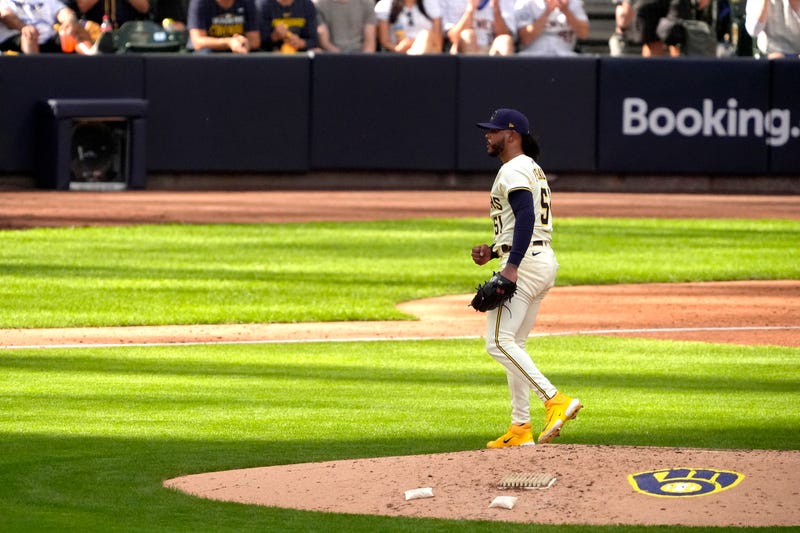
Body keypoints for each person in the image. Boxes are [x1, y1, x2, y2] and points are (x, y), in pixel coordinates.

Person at [471, 108, 582, 448]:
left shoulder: (514, 168)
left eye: (494, 131)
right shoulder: (530, 167)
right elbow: (521, 222)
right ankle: (520, 427)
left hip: (526, 263)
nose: (488, 135)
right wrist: (494, 251)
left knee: (498, 342)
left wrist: (511, 265)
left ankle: (554, 399)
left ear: (512, 134)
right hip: (541, 260)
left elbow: (525, 216)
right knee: (514, 344)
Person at [0, 0, 94, 53]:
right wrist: (23, 27)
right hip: (18, 38)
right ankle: (36, 74)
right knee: (29, 35)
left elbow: (63, 11)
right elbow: (5, 16)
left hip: (49, 37)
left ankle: (92, 60)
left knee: (76, 29)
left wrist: (69, 20)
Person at [514, 0, 590, 55]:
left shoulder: (573, 3)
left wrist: (565, 10)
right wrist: (547, 12)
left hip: (565, 56)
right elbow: (525, 38)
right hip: (532, 56)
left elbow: (583, 34)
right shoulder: (525, 3)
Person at [440, 0, 515, 55]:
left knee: (505, 41)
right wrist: (470, 10)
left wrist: (496, 8)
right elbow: (453, 38)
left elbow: (506, 35)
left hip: (491, 50)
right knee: (468, 35)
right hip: (463, 52)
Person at [187, 0, 260, 52]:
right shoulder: (200, 2)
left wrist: (243, 42)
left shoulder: (247, 2)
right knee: (204, 52)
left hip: (239, 51)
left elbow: (255, 41)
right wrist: (228, 42)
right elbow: (198, 42)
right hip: (208, 54)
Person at [374, 0, 442, 54]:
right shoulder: (385, 5)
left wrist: (415, 44)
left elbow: (437, 40)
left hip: (429, 52)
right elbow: (384, 41)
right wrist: (397, 48)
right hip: (398, 55)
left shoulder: (430, 3)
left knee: (425, 34)